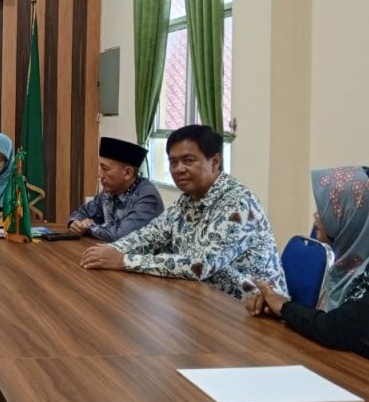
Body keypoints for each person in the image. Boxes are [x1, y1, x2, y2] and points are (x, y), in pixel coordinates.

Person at [247, 166, 369, 393]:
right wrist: (279, 309)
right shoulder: (356, 260)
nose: (316, 216)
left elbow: (339, 330)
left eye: (326, 209)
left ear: (354, 215)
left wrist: (284, 307)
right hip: (361, 376)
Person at [80, 124, 286, 300]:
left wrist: (124, 260)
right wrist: (109, 251)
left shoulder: (238, 203)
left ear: (215, 162)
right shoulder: (188, 199)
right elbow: (150, 234)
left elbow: (199, 265)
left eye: (188, 160)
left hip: (254, 311)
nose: (178, 169)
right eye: (173, 162)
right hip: (202, 299)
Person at [68, 136, 163, 240]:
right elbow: (83, 212)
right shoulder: (110, 191)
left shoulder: (147, 198)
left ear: (128, 173)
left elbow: (121, 235)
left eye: (105, 169)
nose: (99, 174)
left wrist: (89, 227)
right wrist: (75, 223)